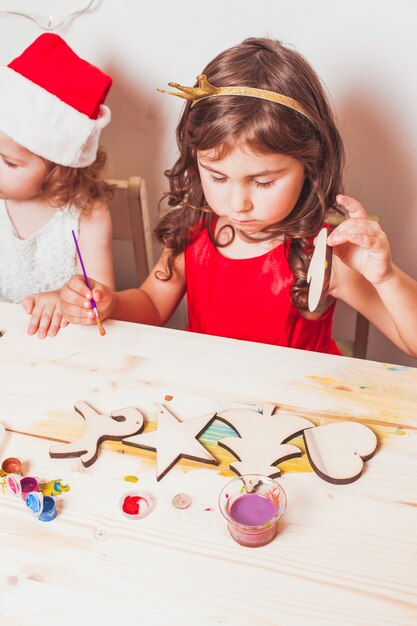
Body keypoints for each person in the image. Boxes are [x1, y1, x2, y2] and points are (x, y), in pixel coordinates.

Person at [61, 37, 417, 358]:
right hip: (209, 402)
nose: (237, 204)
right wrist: (109, 303)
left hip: (294, 412)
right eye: (217, 177)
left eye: (262, 182)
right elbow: (152, 304)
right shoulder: (195, 226)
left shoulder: (327, 254)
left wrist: (386, 278)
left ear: (311, 165)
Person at [0, 33, 115, 338]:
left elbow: (101, 296)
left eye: (8, 162)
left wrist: (65, 300)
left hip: (66, 347)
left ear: (59, 170)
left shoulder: (88, 213)